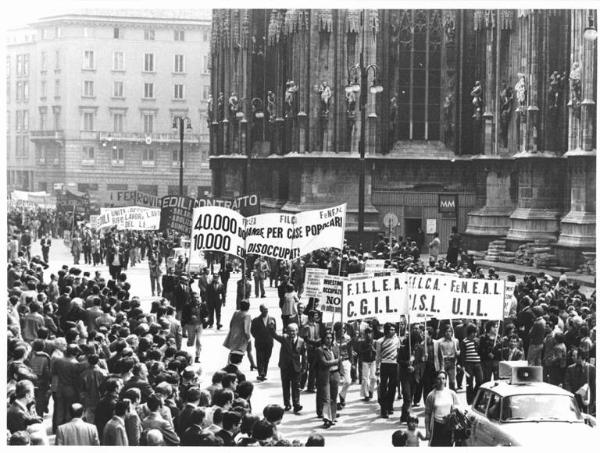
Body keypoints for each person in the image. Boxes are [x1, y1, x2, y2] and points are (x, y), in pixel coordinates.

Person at [269, 322, 306, 414]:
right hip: (285, 366)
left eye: (293, 331)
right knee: (285, 386)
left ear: (297, 331)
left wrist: (304, 367)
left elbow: (304, 355)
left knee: (296, 387)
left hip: (296, 367)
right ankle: (287, 404)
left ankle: (296, 404)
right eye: (289, 331)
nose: (291, 333)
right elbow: (274, 335)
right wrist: (271, 327)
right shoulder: (284, 338)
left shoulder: (301, 341)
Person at [424, 371, 460, 446]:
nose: (441, 381)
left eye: (443, 378)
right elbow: (427, 414)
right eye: (439, 379)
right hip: (436, 426)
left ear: (446, 380)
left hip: (448, 426)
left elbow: (457, 409)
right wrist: (427, 430)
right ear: (435, 380)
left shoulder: (451, 393)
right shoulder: (431, 395)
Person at [315, 329, 340, 428]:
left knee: (334, 397)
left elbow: (340, 361)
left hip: (335, 374)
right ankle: (326, 419)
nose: (329, 340)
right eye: (327, 338)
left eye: (330, 338)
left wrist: (340, 371)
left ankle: (332, 417)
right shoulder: (320, 350)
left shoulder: (335, 348)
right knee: (326, 398)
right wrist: (336, 361)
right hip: (325, 375)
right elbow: (324, 362)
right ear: (323, 339)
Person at [376, 322, 400, 418]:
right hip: (384, 364)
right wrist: (377, 367)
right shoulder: (380, 341)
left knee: (392, 387)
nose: (392, 331)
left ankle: (390, 406)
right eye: (390, 329)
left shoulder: (397, 340)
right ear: (386, 330)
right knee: (383, 387)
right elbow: (378, 355)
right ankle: (383, 409)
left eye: (394, 330)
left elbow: (398, 352)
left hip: (394, 365)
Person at [223, 300, 254, 367]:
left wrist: (233, 332)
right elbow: (246, 329)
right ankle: (252, 364)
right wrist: (248, 338)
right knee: (249, 350)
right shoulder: (247, 315)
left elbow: (231, 324)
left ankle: (228, 363)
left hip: (234, 335)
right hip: (243, 337)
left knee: (232, 351)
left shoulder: (236, 313)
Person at [251, 304, 277, 381]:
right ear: (261, 310)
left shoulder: (272, 319)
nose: (265, 311)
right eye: (264, 310)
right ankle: (261, 373)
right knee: (259, 358)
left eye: (266, 310)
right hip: (259, 342)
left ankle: (264, 372)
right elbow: (252, 331)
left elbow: (274, 330)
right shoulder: (255, 320)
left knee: (267, 358)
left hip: (269, 342)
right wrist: (258, 337)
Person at [459, 323, 483, 405]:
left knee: (480, 380)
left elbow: (480, 352)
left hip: (478, 363)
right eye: (473, 332)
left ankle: (474, 395)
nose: (475, 334)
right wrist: (463, 366)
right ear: (470, 332)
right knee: (469, 383)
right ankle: (470, 401)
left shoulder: (477, 341)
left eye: (476, 332)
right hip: (468, 365)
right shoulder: (464, 342)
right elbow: (462, 355)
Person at [181, 291, 208, 363]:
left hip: (199, 325)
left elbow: (206, 313)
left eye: (197, 297)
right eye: (195, 298)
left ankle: (197, 356)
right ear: (191, 299)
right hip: (190, 325)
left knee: (199, 341)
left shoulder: (203, 305)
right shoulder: (187, 306)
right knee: (191, 343)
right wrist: (190, 317)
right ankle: (189, 341)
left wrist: (206, 318)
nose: (196, 299)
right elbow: (183, 316)